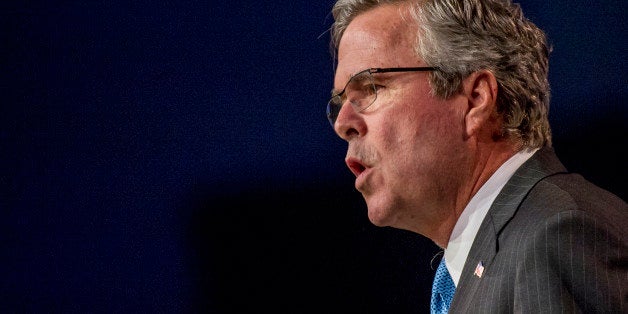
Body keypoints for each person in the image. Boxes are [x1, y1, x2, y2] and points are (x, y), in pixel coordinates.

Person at [325, 0, 627, 312]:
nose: (342, 123)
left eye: (372, 86)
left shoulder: (555, 236)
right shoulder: (499, 254)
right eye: (341, 100)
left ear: (475, 99)